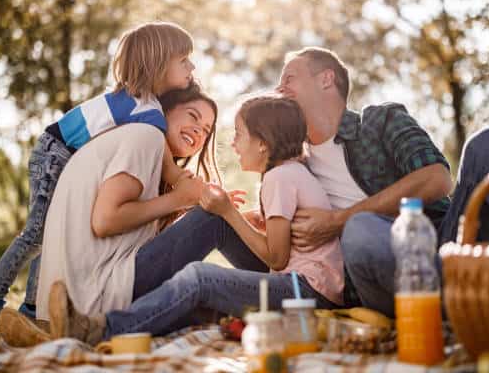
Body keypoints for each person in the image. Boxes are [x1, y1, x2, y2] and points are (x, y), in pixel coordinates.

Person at [45, 95, 346, 344]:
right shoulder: (288, 173)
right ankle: (134, 321)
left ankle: (104, 329)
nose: (232, 144)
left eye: (239, 134)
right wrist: (238, 218)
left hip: (306, 293)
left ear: (263, 143)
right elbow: (282, 250)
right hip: (302, 286)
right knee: (213, 236)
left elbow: (277, 259)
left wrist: (228, 211)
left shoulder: (279, 178)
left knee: (201, 277)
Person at [275, 46, 489, 317]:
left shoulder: (380, 120)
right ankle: (463, 304)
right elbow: (279, 246)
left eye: (288, 79)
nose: (279, 89)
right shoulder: (294, 167)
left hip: (448, 242)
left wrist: (336, 221)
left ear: (325, 79)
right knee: (361, 230)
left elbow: (436, 178)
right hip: (389, 273)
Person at [0, 21, 198, 331]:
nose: (191, 66)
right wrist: (191, 190)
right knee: (37, 233)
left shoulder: (140, 103)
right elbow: (170, 168)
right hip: (55, 151)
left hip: (60, 151)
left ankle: (32, 307)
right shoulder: (145, 109)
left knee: (49, 235)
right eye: (183, 60)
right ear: (157, 62)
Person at [0, 82, 220, 346]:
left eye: (206, 130)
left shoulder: (138, 142)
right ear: (165, 111)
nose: (199, 130)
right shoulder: (147, 136)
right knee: (215, 223)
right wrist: (183, 202)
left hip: (81, 292)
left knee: (207, 305)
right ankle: (280, 294)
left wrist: (184, 207)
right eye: (193, 116)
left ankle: (49, 335)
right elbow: (105, 221)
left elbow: (139, 235)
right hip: (96, 292)